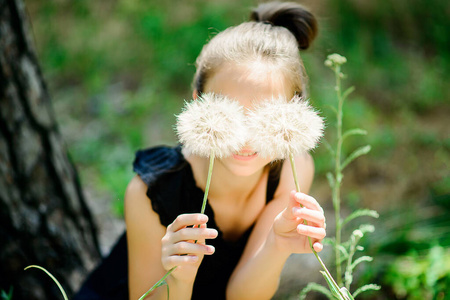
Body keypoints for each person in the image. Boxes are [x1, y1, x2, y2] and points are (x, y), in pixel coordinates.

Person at [74, 2, 326, 300]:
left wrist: (277, 246)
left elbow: (242, 297)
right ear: (198, 103)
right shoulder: (152, 190)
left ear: (295, 114)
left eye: (265, 116)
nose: (245, 139)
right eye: (229, 113)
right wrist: (178, 277)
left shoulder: (293, 170)